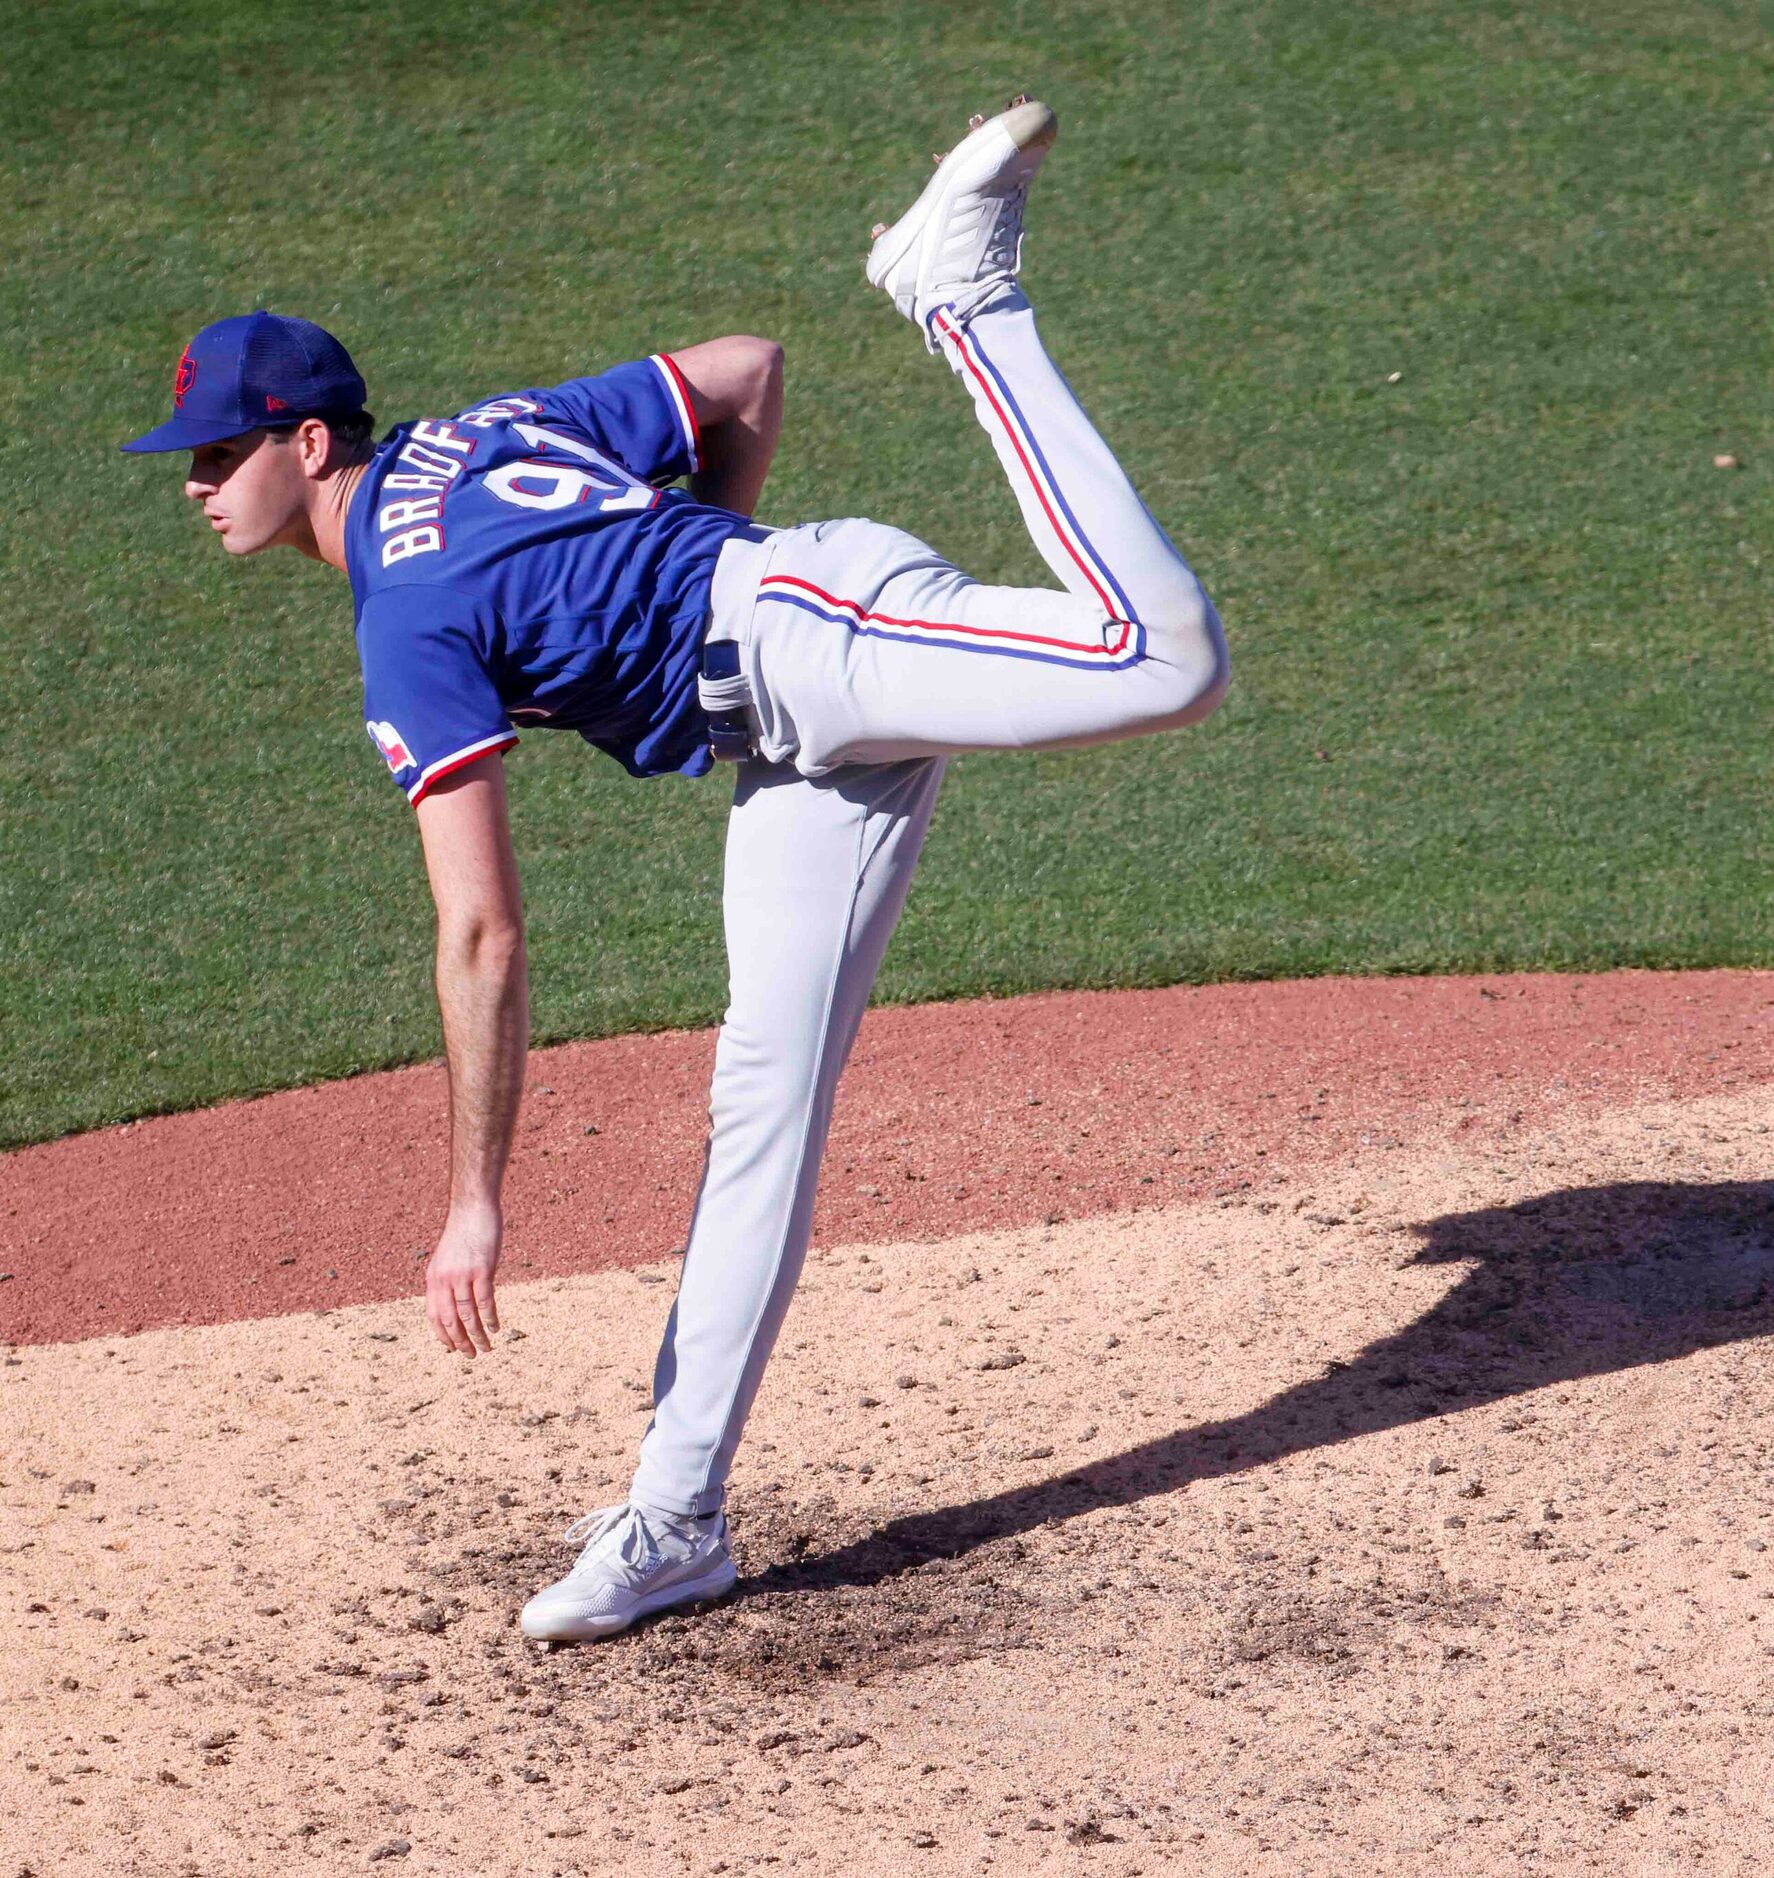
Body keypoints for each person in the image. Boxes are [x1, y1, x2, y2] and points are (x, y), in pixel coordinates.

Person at [121, 99, 1228, 1641]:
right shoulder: (473, 435)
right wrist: (694, 568)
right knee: (759, 1108)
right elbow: (741, 370)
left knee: (1162, 658)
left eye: (219, 452)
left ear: (309, 446)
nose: (194, 482)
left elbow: (482, 933)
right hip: (786, 721)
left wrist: (475, 1205)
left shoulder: (403, 621)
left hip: (817, 634)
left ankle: (963, 301)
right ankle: (677, 1517)